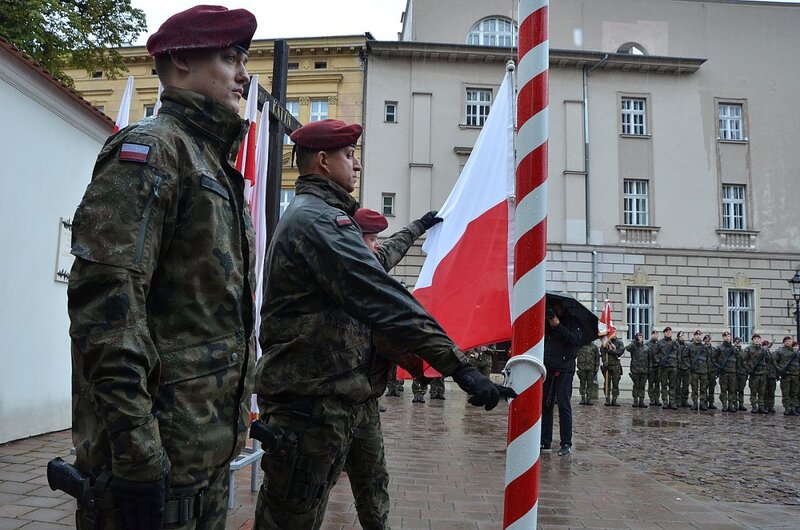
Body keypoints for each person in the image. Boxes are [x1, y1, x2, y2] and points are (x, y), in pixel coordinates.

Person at [253, 119, 514, 529]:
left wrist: (420, 226)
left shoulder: (321, 218)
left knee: (356, 495)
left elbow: (384, 257)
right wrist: (458, 366)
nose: (355, 165)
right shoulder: (319, 223)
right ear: (322, 161)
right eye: (349, 155)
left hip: (335, 400)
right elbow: (385, 298)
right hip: (310, 407)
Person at [67, 6, 258, 529]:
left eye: (243, 59)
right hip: (156, 464)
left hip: (203, 460)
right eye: (228, 58)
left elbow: (212, 320)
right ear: (178, 62)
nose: (243, 74)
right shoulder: (153, 151)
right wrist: (136, 455)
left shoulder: (212, 162)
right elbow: (106, 309)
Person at [344, 206, 441, 529]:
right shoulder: (342, 268)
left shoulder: (372, 262)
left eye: (375, 239)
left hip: (365, 401)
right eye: (370, 238)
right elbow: (386, 337)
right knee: (314, 484)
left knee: (373, 480)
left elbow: (397, 244)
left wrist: (421, 224)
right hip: (331, 399)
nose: (376, 245)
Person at [541, 301, 583, 456]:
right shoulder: (547, 322)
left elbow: (575, 340)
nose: (554, 311)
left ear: (563, 307)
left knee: (564, 406)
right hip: (549, 368)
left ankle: (566, 443)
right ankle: (545, 441)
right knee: (545, 405)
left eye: (556, 308)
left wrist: (558, 325)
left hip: (565, 369)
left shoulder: (574, 322)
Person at [774, 336, 799, 416]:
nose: (788, 342)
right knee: (786, 393)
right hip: (786, 375)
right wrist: (779, 369)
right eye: (786, 341)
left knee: (794, 393)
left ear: (792, 342)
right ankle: (787, 408)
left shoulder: (796, 351)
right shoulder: (780, 351)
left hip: (795, 375)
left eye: (789, 340)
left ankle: (793, 408)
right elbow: (774, 360)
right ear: (784, 342)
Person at [714, 331, 739, 412]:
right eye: (725, 336)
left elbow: (738, 359)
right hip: (723, 372)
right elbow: (714, 359)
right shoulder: (719, 348)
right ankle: (724, 404)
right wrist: (719, 368)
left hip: (732, 371)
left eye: (728, 336)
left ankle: (731, 405)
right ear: (723, 337)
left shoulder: (733, 348)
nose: (727, 337)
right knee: (723, 389)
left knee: (732, 389)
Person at [686, 330, 710, 410]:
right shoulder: (690, 347)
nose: (698, 336)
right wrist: (689, 366)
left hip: (703, 371)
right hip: (694, 371)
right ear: (694, 336)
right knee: (694, 388)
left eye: (700, 335)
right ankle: (695, 403)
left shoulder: (705, 347)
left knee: (703, 389)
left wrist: (708, 368)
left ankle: (703, 404)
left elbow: (708, 359)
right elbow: (685, 357)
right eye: (697, 335)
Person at [745, 334, 769, 414]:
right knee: (753, 391)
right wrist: (748, 368)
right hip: (754, 373)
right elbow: (744, 360)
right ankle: (754, 406)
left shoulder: (763, 350)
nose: (757, 340)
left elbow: (768, 360)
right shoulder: (749, 349)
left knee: (762, 391)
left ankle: (761, 406)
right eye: (755, 339)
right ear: (752, 340)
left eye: (758, 339)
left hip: (762, 373)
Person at [657, 327, 680, 409]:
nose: (668, 333)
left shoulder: (675, 343)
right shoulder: (660, 342)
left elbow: (678, 354)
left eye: (670, 332)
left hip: (673, 366)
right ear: (664, 333)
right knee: (663, 385)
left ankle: (672, 402)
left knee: (672, 385)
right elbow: (656, 354)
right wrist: (659, 362)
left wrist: (678, 364)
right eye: (667, 332)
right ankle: (665, 402)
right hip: (664, 367)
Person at [600, 330, 624, 406]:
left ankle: (614, 399)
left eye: (614, 332)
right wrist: (604, 361)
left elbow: (620, 352)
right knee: (607, 383)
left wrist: (610, 351)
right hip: (608, 365)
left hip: (616, 365)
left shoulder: (619, 343)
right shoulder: (606, 342)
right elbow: (602, 351)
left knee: (615, 383)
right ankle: (607, 399)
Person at [626, 332, 649, 408]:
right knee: (636, 386)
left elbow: (649, 359)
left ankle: (641, 401)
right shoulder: (633, 347)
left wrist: (649, 369)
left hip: (644, 370)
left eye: (641, 337)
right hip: (635, 370)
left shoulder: (646, 348)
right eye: (638, 337)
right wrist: (635, 341)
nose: (640, 338)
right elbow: (627, 348)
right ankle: (635, 401)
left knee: (642, 386)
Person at [576, 337, 601, 406]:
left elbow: (597, 358)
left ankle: (589, 398)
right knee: (582, 384)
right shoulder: (580, 347)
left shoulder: (594, 348)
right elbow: (576, 356)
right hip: (582, 368)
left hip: (591, 368)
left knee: (590, 384)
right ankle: (583, 398)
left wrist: (596, 367)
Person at [676, 331, 692, 408]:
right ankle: (678, 400)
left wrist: (688, 364)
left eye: (683, 335)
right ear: (678, 337)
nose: (683, 337)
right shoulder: (675, 344)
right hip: (678, 367)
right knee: (677, 385)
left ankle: (684, 400)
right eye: (681, 336)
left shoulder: (687, 345)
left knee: (686, 385)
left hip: (686, 367)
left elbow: (690, 355)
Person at [646, 330, 662, 406]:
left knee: (657, 384)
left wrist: (658, 359)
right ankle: (652, 399)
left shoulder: (660, 344)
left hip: (658, 367)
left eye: (657, 334)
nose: (655, 336)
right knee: (651, 384)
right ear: (651, 335)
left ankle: (657, 399)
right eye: (654, 334)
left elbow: (662, 354)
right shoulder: (647, 344)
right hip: (651, 367)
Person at [703, 334, 719, 409]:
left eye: (709, 339)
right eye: (706, 340)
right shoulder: (702, 349)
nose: (708, 341)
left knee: (712, 388)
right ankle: (704, 402)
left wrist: (717, 370)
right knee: (704, 387)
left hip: (712, 371)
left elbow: (716, 360)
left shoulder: (714, 349)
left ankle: (711, 403)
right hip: (705, 370)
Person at [763, 340, 778, 414]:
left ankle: (771, 406)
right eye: (765, 345)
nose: (767, 346)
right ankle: (765, 405)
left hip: (772, 375)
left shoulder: (771, 354)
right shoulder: (763, 353)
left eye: (767, 345)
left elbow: (774, 364)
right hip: (765, 375)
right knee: (765, 391)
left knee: (772, 392)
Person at [733, 337, 749, 411]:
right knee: (734, 389)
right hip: (735, 372)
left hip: (742, 373)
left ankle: (741, 404)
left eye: (739, 342)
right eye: (737, 342)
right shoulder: (732, 351)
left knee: (741, 389)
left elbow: (746, 360)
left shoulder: (743, 351)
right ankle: (735, 404)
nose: (738, 343)